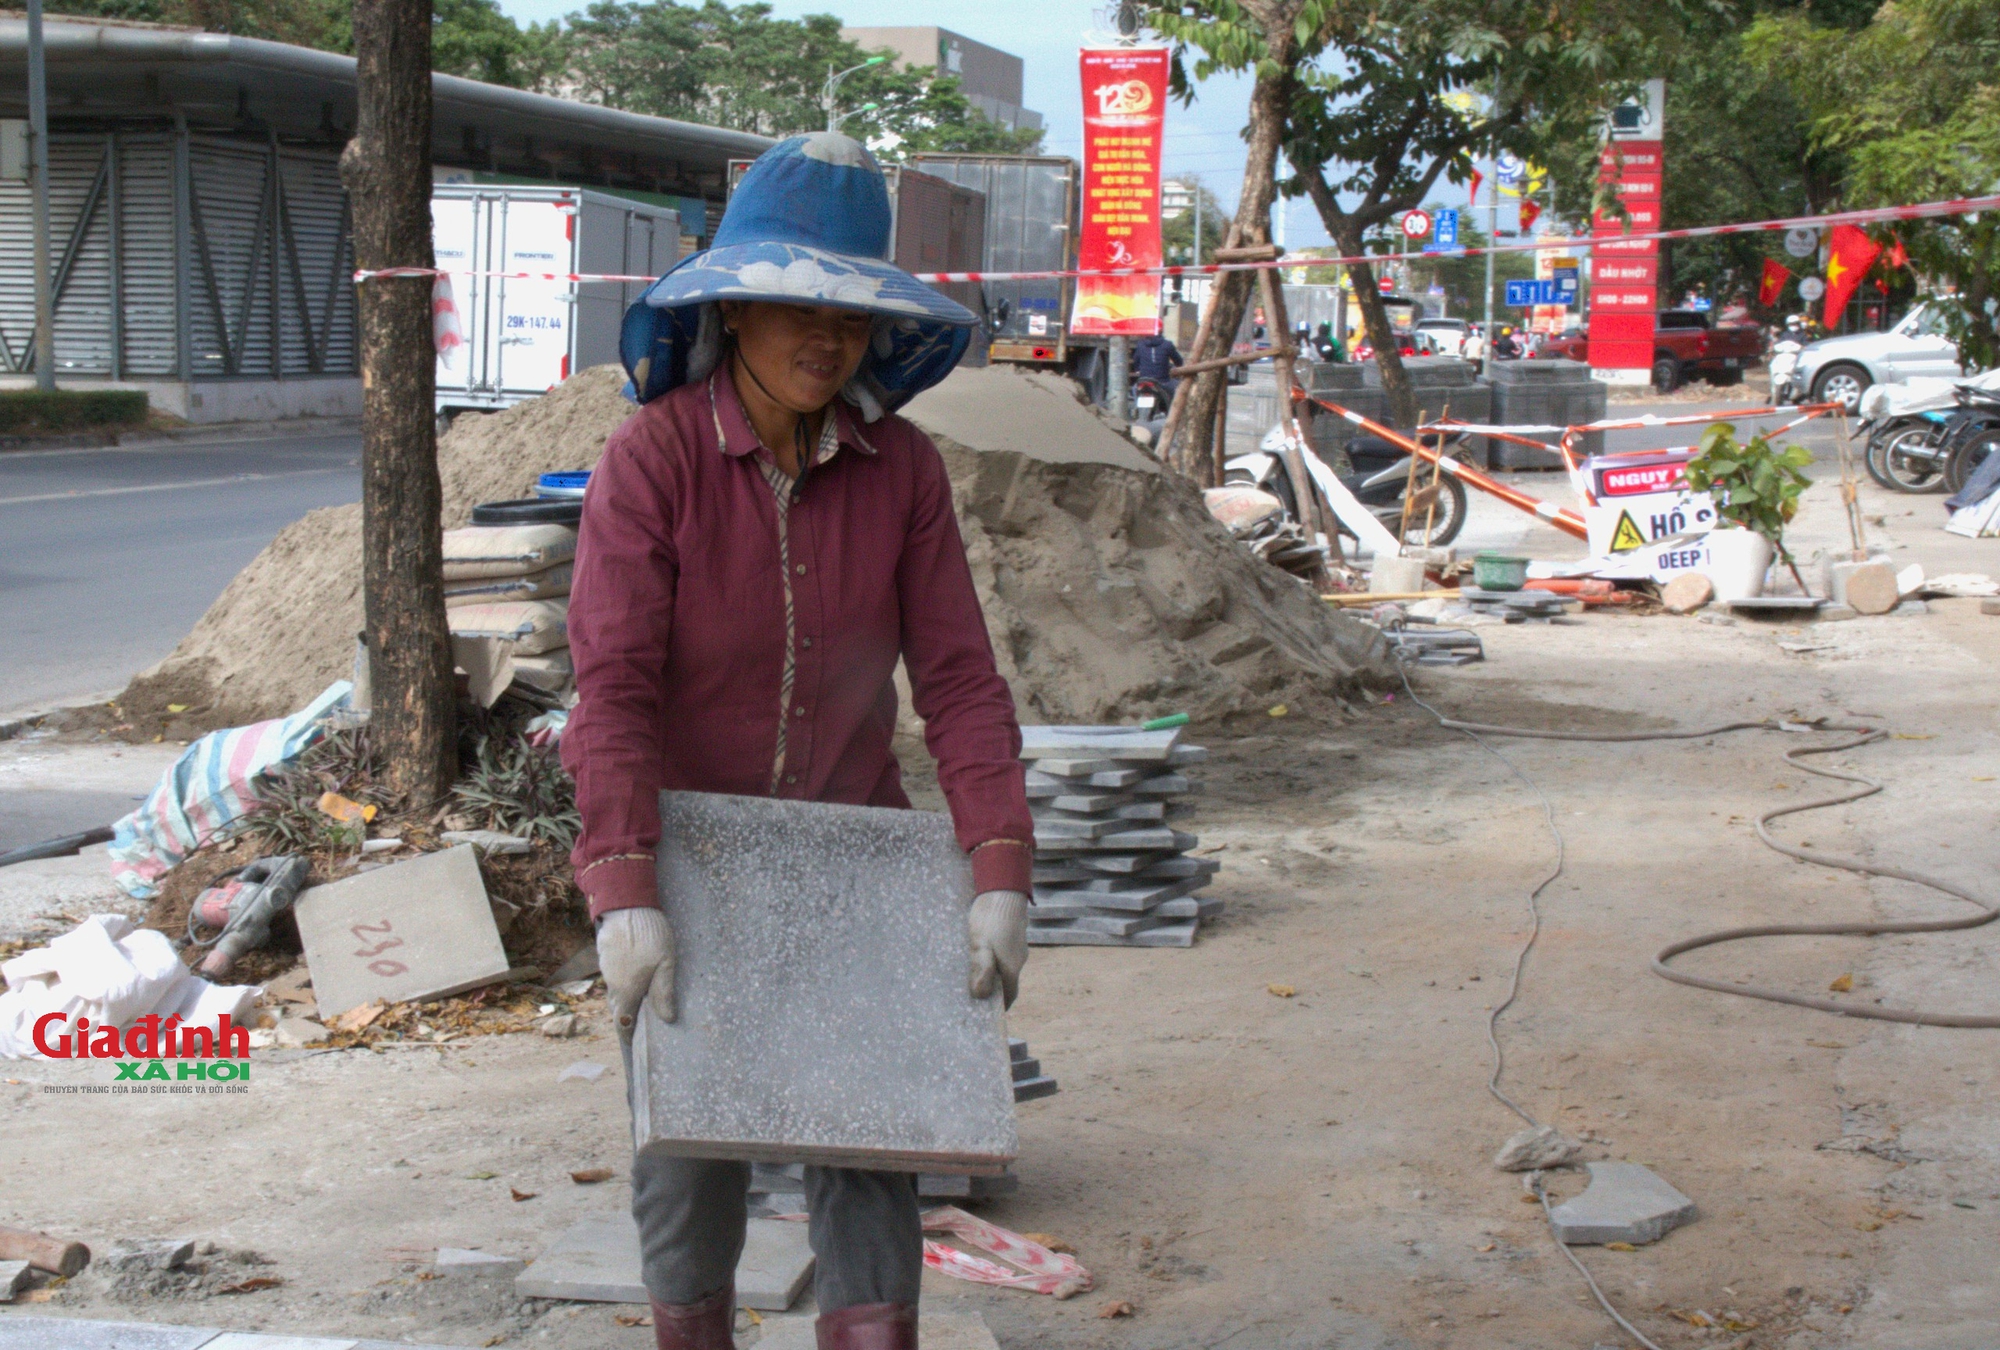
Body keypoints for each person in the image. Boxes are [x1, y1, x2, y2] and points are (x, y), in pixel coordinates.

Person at [562, 132, 1034, 1350]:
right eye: (788, 305)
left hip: (855, 854)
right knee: (689, 1157)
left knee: (868, 1153)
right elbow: (609, 686)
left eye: (846, 312)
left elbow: (959, 681)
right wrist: (623, 884)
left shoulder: (904, 472)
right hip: (692, 856)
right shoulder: (653, 460)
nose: (821, 337)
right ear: (731, 310)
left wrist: (997, 867)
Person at [1132, 329, 1183, 403]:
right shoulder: (1167, 344)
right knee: (1177, 387)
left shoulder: (1141, 344)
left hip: (1144, 381)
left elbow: (1136, 360)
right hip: (1163, 382)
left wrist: (1137, 369)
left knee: (1134, 389)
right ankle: (1172, 412)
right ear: (1161, 331)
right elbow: (1179, 361)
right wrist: (1178, 366)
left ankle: (1136, 408)